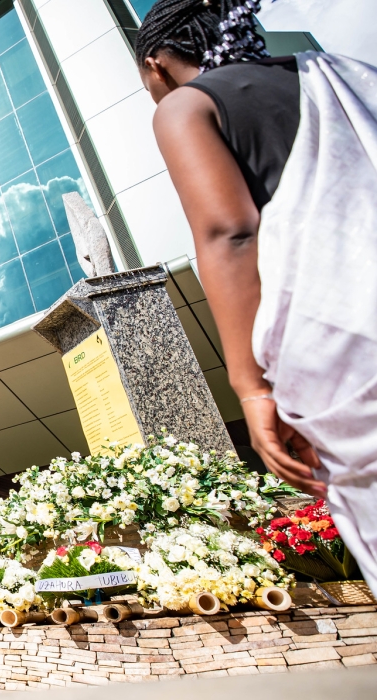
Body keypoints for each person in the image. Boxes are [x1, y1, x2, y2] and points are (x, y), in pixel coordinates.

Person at [136, 0, 377, 586]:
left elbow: (230, 233)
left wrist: (251, 387)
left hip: (345, 340)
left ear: (157, 65)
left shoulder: (186, 108)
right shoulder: (343, 71)